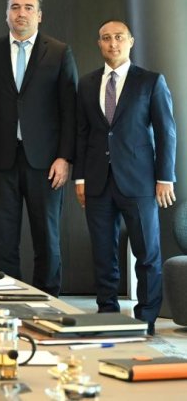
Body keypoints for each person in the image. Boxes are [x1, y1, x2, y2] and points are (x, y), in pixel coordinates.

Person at [0, 0, 77, 295]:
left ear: (39, 15)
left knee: (47, 237)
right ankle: (8, 298)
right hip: (0, 160)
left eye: (28, 7)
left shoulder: (59, 52)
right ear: (6, 15)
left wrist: (65, 157)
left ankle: (49, 300)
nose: (21, 13)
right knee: (4, 238)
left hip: (46, 162)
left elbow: (70, 110)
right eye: (15, 7)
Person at [75, 20, 176, 334]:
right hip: (97, 181)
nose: (112, 43)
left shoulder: (150, 81)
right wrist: (80, 178)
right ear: (99, 44)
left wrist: (165, 177)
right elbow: (82, 133)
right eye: (106, 38)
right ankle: (107, 313)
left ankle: (146, 318)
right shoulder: (87, 83)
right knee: (103, 254)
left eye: (119, 37)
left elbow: (166, 131)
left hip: (140, 181)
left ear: (130, 41)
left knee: (147, 254)